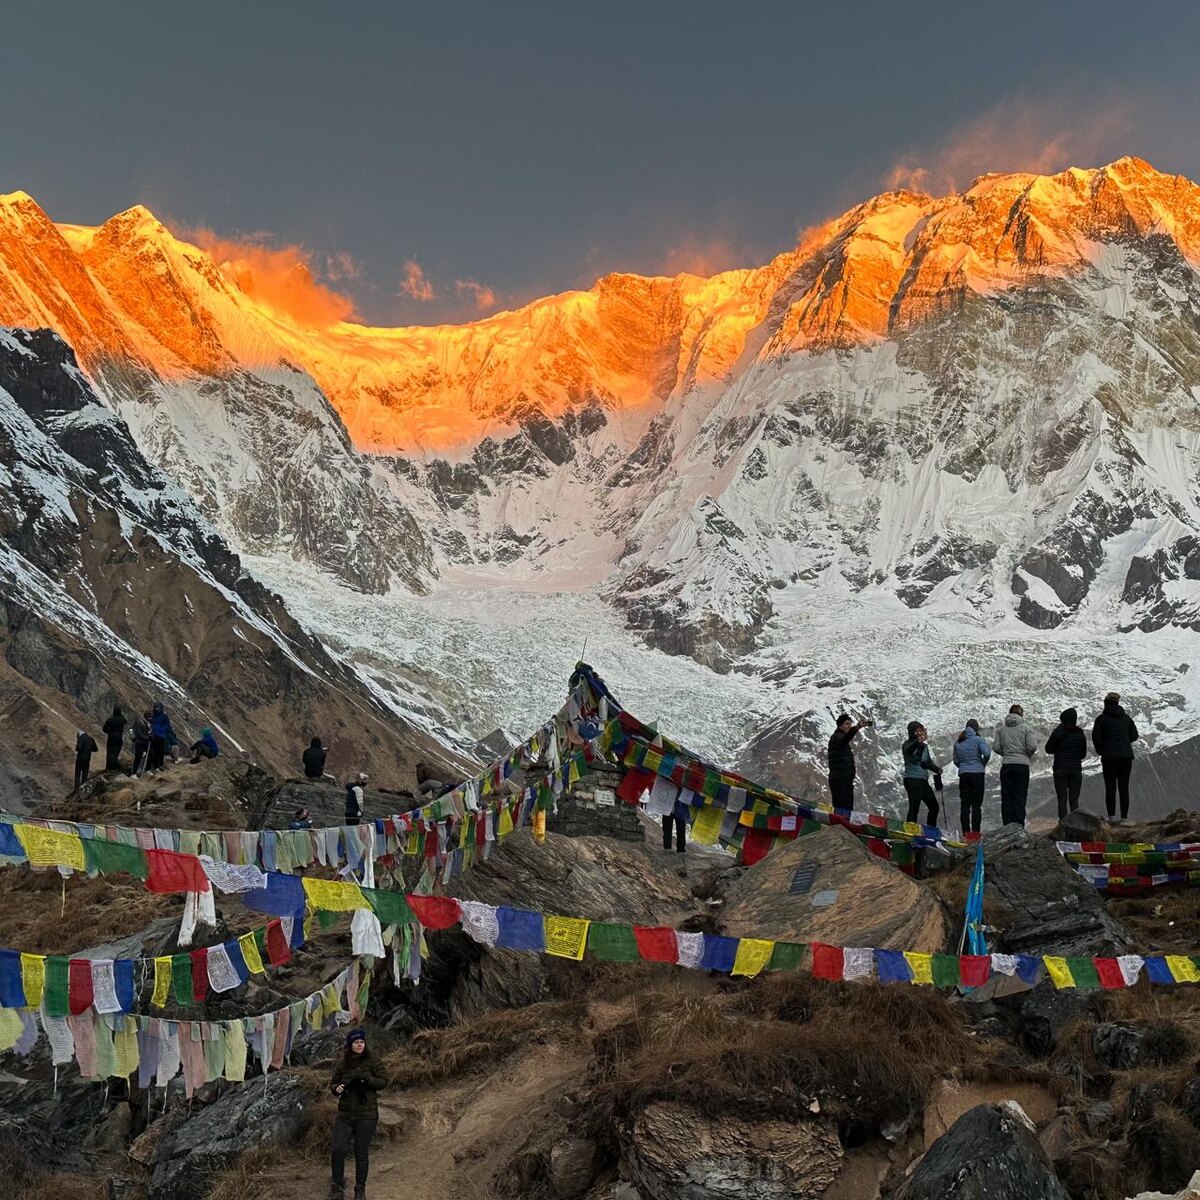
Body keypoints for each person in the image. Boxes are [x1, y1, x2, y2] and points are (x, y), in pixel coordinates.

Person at [328, 1028, 386, 1200]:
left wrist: (368, 1082)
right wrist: (336, 1089)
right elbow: (333, 1083)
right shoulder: (343, 1063)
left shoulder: (373, 1060)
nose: (359, 1045)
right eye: (356, 1042)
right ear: (350, 1044)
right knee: (338, 1150)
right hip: (345, 1114)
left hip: (366, 1114)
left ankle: (360, 1190)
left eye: (361, 1042)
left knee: (361, 1152)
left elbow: (384, 1081)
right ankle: (337, 1187)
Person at [1092, 692, 1139, 820]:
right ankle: (1124, 817)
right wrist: (1124, 741)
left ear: (1105, 703)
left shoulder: (1101, 719)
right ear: (1118, 703)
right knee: (1124, 787)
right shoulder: (1126, 718)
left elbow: (1096, 737)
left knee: (1110, 787)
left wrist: (1101, 750)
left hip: (1109, 757)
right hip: (1125, 756)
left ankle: (1112, 817)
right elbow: (1134, 735)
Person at [994, 704, 1038, 827]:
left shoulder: (1001, 730)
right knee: (1020, 796)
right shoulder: (1027, 728)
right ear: (1021, 714)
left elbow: (996, 747)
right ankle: (1019, 826)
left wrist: (1006, 754)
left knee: (1007, 797)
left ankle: (1007, 826)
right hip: (1022, 765)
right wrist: (1026, 755)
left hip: (1007, 765)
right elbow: (1032, 746)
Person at [1046, 707, 1088, 821]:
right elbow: (1083, 754)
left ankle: (1063, 823)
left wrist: (1059, 750)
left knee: (1062, 799)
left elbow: (1048, 748)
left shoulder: (1058, 733)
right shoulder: (1080, 734)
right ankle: (1077, 824)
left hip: (1060, 768)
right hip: (1075, 769)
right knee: (1074, 800)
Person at [952, 719, 990, 837]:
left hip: (964, 775)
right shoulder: (979, 740)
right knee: (976, 806)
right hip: (977, 774)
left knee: (965, 805)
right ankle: (976, 832)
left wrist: (963, 766)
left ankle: (966, 833)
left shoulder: (958, 742)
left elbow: (956, 760)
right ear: (976, 729)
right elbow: (987, 753)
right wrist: (983, 763)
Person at [827, 713, 873, 810]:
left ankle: (842, 822)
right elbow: (844, 739)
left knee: (844, 804)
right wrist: (856, 728)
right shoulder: (837, 737)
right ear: (840, 725)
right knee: (844, 805)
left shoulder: (839, 738)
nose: (849, 726)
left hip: (843, 776)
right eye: (847, 724)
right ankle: (843, 823)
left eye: (850, 724)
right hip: (840, 776)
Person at [901, 721, 942, 826]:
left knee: (934, 807)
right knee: (914, 807)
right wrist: (918, 743)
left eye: (921, 730)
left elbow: (927, 762)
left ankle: (930, 831)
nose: (919, 733)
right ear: (911, 732)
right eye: (917, 731)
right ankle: (910, 830)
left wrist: (936, 769)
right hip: (912, 779)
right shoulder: (908, 745)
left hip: (922, 780)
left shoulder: (924, 746)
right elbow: (913, 758)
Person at [101, 705, 126, 772]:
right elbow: (125, 721)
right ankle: (114, 767)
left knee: (109, 753)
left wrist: (109, 732)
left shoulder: (110, 719)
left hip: (111, 737)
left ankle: (108, 767)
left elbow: (104, 729)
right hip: (118, 737)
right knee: (116, 752)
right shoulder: (121, 719)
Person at [147, 702, 170, 772]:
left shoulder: (164, 717)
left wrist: (160, 730)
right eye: (156, 707)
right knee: (154, 752)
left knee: (160, 751)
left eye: (157, 707)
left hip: (160, 736)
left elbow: (167, 726)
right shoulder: (153, 716)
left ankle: (159, 765)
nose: (156, 709)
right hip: (154, 736)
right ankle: (154, 765)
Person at [131, 710, 151, 777]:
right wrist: (148, 738)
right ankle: (134, 773)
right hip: (139, 743)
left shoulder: (146, 723)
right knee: (138, 758)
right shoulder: (140, 723)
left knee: (143, 758)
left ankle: (139, 772)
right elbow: (139, 734)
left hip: (144, 743)